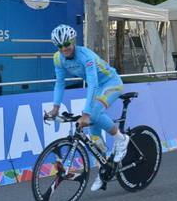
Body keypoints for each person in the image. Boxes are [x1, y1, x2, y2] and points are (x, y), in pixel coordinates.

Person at [47, 25, 129, 191]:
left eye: (67, 44)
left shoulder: (85, 56)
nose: (64, 49)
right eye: (60, 46)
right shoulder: (58, 58)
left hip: (111, 83)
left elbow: (92, 83)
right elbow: (60, 83)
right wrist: (55, 107)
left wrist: (86, 113)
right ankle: (104, 169)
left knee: (93, 114)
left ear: (73, 41)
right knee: (94, 134)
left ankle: (121, 139)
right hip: (98, 87)